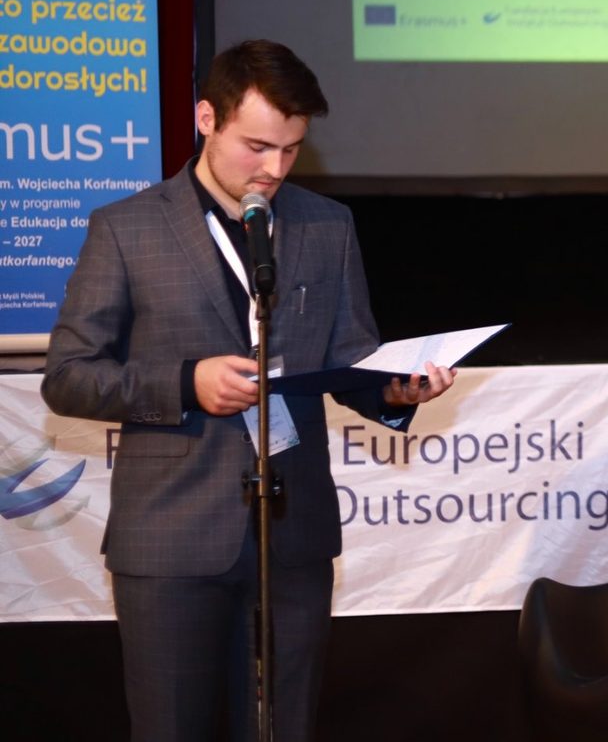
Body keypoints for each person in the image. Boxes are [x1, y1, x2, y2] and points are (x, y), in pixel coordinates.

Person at [42, 39, 456, 741]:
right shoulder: (126, 228)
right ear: (207, 118)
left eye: (291, 150)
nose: (274, 168)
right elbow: (69, 375)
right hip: (171, 539)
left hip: (293, 537)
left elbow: (350, 356)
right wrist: (187, 382)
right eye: (257, 146)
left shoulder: (327, 225)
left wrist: (396, 391)